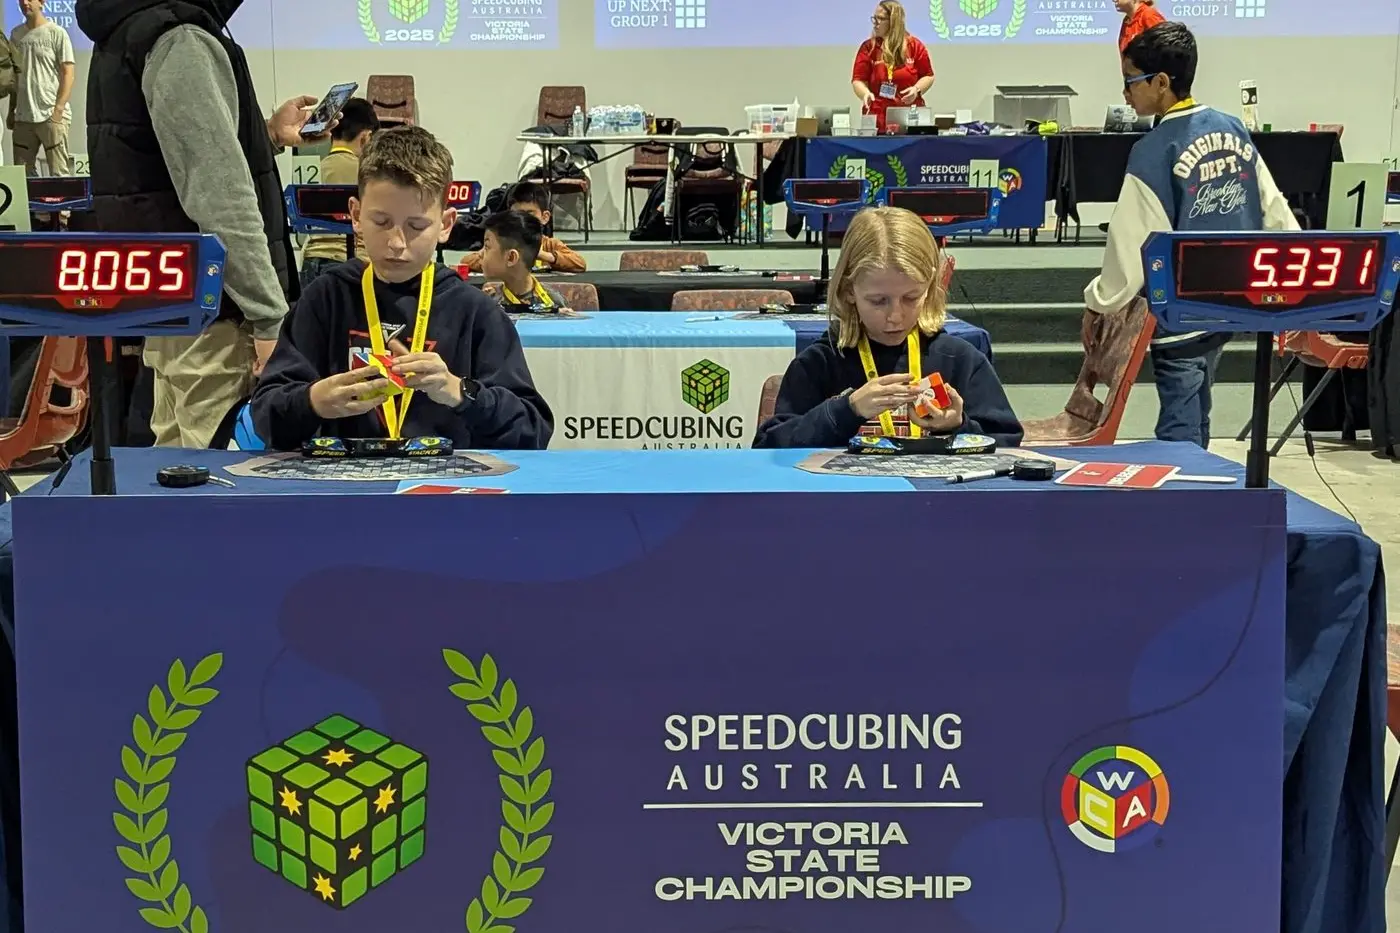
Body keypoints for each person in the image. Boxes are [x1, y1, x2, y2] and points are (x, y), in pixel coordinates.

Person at [76, 0, 329, 448]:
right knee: (225, 490)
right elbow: (219, 198)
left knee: (176, 484)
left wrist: (266, 135)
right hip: (219, 320)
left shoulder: (130, 27)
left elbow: (162, 171)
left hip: (176, 311)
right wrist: (271, 322)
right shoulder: (180, 38)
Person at [251, 125, 553, 451]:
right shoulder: (326, 299)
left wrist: (460, 392)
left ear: (446, 225)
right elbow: (265, 416)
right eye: (381, 222)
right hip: (343, 490)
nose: (397, 243)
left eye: (416, 226)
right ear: (355, 215)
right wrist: (310, 403)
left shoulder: (474, 311)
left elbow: (532, 431)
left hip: (439, 491)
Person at [1084, 22, 1297, 448]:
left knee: (1179, 422)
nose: (1125, 93)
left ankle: (1184, 494)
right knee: (1199, 405)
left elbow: (1129, 243)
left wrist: (1099, 303)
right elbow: (1276, 213)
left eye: (1131, 81)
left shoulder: (1154, 149)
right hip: (1231, 304)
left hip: (1182, 307)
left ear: (1161, 83)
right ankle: (1205, 490)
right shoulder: (1232, 128)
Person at [755, 206, 1021, 448]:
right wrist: (846, 411)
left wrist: (958, 426)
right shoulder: (819, 363)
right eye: (878, 301)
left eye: (910, 298)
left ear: (929, 287)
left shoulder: (961, 360)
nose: (895, 315)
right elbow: (769, 448)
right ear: (849, 290)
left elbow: (1007, 443)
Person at [299, 97, 381, 288]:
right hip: (351, 262)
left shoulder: (311, 169)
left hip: (312, 258)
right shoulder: (367, 173)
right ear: (366, 138)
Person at [459, 180, 586, 273]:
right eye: (517, 214)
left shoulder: (550, 244)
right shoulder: (504, 245)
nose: (522, 220)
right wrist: (486, 254)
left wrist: (541, 254)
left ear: (545, 217)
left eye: (529, 214)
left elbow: (580, 263)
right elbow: (466, 261)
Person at [8, 0, 75, 176]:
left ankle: (61, 205)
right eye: (21, 0)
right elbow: (14, 76)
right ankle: (33, 205)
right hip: (23, 116)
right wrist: (11, 110)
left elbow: (68, 73)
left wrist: (58, 109)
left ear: (42, 2)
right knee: (23, 175)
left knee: (59, 173)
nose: (24, 3)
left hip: (50, 114)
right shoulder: (16, 34)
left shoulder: (56, 33)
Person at [851, 0, 934, 132]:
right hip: (878, 118)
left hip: (909, 118)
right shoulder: (869, 47)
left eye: (881, 19)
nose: (875, 23)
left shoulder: (915, 46)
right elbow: (858, 80)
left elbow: (928, 76)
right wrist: (865, 94)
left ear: (893, 22)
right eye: (874, 18)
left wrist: (916, 89)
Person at [478, 210, 574, 314]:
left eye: (487, 247)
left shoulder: (554, 303)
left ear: (511, 258)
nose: (480, 254)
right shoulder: (490, 301)